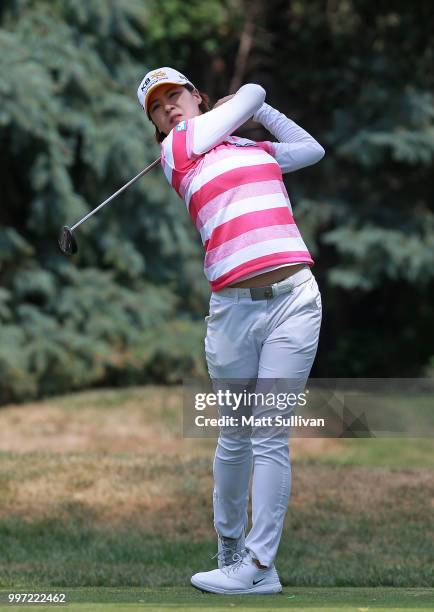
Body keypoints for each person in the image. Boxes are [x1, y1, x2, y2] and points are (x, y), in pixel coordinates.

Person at [137, 67, 324, 595]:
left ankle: (260, 567)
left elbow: (311, 150)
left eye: (176, 95)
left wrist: (258, 116)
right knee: (235, 437)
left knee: (269, 435)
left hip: (294, 300)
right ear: (155, 124)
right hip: (233, 314)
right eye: (157, 105)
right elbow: (257, 90)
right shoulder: (178, 152)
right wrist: (249, 100)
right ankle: (229, 549)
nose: (169, 106)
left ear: (196, 96)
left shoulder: (253, 150)